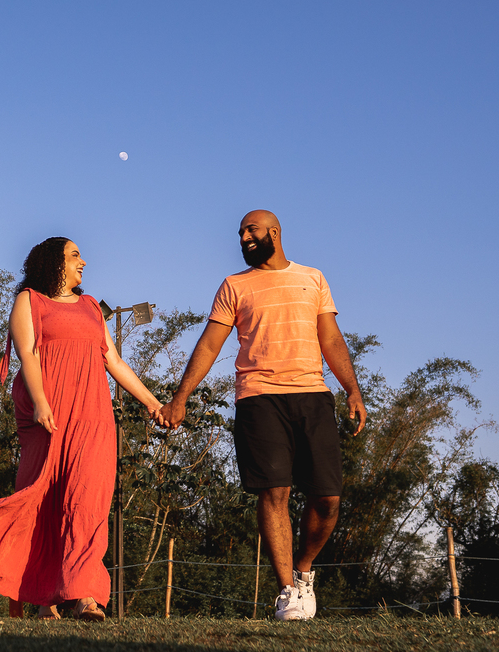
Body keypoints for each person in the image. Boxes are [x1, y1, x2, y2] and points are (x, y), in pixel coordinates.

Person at [157, 210, 367, 621]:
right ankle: (288, 590)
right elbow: (209, 344)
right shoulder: (235, 286)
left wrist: (353, 390)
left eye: (250, 230)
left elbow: (331, 338)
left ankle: (304, 571)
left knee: (328, 499)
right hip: (258, 398)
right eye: (240, 233)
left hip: (312, 395)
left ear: (274, 232)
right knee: (275, 493)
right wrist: (180, 397)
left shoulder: (313, 278)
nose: (243, 238)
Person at [0, 237, 167, 621]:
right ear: (54, 262)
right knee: (43, 496)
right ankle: (41, 595)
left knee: (88, 499)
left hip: (93, 413)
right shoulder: (29, 301)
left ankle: (83, 595)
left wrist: (152, 403)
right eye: (74, 255)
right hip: (46, 412)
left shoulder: (90, 307)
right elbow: (28, 353)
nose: (83, 261)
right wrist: (40, 401)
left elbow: (113, 361)